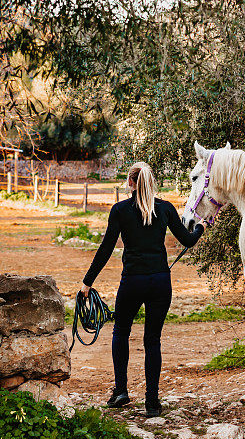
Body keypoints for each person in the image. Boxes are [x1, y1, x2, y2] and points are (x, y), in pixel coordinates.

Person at [80, 161, 206, 417]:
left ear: (130, 183)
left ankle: (121, 391)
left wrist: (88, 281)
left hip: (133, 282)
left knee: (121, 331)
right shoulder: (166, 209)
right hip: (160, 281)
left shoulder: (120, 210)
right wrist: (201, 226)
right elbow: (189, 241)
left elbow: (105, 249)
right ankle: (152, 403)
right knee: (152, 340)